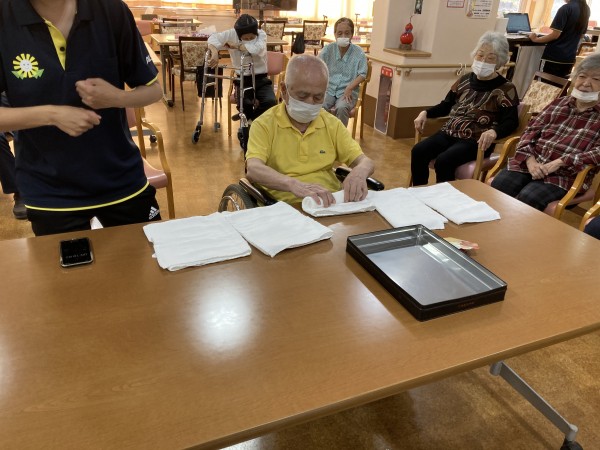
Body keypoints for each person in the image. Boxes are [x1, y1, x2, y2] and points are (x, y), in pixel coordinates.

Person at [0, 0, 163, 236]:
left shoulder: (111, 11)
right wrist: (52, 115)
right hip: (48, 190)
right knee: (64, 261)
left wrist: (117, 97)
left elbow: (154, 90)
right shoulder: (5, 17)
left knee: (146, 255)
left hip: (121, 179)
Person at [245, 54, 374, 207]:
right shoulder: (264, 124)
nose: (310, 103)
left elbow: (365, 161)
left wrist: (359, 172)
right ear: (284, 90)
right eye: (302, 95)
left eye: (318, 97)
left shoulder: (331, 124)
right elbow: (253, 169)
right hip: (284, 205)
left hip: (329, 203)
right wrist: (293, 184)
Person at [491, 53, 600, 212]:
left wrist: (561, 162)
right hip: (531, 163)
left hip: (565, 175)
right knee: (500, 185)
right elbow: (531, 130)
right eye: (582, 76)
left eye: (596, 79)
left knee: (529, 197)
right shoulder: (559, 103)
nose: (586, 83)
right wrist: (530, 161)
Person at [411, 31, 519, 186]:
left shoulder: (506, 88)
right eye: (480, 55)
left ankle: (444, 199)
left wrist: (494, 132)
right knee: (418, 151)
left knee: (444, 161)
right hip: (450, 132)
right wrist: (425, 112)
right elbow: (446, 105)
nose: (483, 60)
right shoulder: (464, 79)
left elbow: (511, 121)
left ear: (500, 62)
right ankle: (419, 192)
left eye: (490, 58)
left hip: (476, 140)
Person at [207, 14, 277, 122]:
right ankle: (246, 120)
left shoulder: (261, 34)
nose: (249, 40)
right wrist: (215, 52)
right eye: (245, 38)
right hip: (242, 80)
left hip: (261, 79)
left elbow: (256, 49)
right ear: (239, 35)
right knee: (245, 104)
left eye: (251, 38)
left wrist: (237, 46)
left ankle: (251, 120)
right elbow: (212, 38)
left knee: (271, 102)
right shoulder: (232, 34)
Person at [318, 17, 368, 127]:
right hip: (329, 89)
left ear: (352, 34)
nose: (343, 36)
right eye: (339, 33)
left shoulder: (359, 53)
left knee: (341, 107)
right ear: (335, 34)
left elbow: (363, 74)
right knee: (320, 105)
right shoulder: (328, 50)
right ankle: (322, 133)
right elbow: (317, 66)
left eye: (347, 33)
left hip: (348, 92)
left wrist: (349, 87)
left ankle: (340, 136)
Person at [528, 0, 590, 78]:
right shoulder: (586, 9)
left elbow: (555, 35)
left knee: (543, 84)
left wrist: (535, 39)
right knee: (560, 84)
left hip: (554, 57)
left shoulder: (566, 8)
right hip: (569, 58)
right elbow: (581, 35)